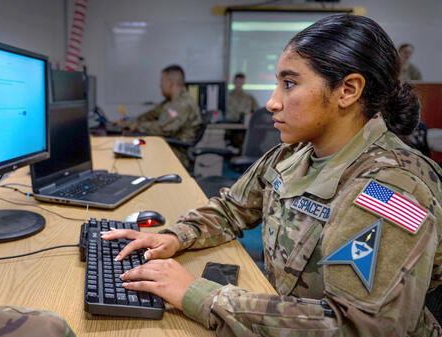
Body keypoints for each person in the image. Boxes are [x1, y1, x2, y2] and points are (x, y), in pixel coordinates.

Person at [102, 14, 442, 336]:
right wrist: (176, 235)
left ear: (348, 90)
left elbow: (357, 327)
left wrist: (198, 294)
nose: (272, 102)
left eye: (289, 83)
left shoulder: (391, 188)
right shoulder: (295, 153)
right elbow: (232, 208)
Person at [115, 65, 202, 167]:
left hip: (176, 153)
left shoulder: (183, 104)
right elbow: (148, 116)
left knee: (129, 162)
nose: (160, 85)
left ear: (170, 83)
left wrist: (137, 126)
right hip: (166, 146)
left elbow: (164, 129)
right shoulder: (170, 102)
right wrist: (124, 123)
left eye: (161, 81)